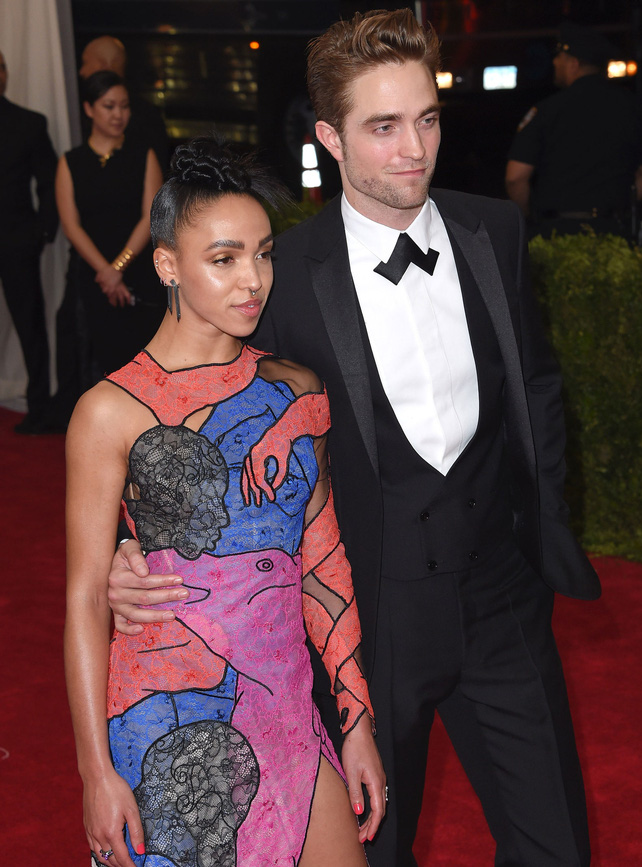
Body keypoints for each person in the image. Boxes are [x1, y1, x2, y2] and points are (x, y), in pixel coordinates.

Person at [107, 9, 601, 866]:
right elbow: (201, 409)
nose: (414, 149)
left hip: (502, 597)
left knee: (557, 846)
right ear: (331, 137)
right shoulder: (283, 275)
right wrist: (137, 542)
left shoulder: (494, 231)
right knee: (378, 849)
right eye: (383, 127)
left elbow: (538, 385)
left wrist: (542, 518)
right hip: (369, 622)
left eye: (428, 119)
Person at [64, 136, 385, 867]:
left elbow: (322, 562)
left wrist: (356, 722)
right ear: (167, 265)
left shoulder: (295, 391)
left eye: (263, 254)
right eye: (225, 259)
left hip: (290, 715)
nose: (253, 280)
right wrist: (95, 773)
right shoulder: (109, 411)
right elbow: (84, 599)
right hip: (171, 728)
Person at [55, 70, 164, 394]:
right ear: (89, 108)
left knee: (142, 357)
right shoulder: (71, 162)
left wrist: (118, 267)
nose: (118, 114)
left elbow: (150, 215)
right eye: (109, 106)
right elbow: (71, 226)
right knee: (95, 360)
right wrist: (105, 272)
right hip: (93, 276)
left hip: (138, 270)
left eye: (124, 106)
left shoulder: (143, 155)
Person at [506, 22, 642, 238]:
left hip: (556, 236)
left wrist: (527, 220)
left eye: (559, 57)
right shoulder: (637, 108)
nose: (554, 62)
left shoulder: (547, 110)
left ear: (573, 64)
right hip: (615, 235)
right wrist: (619, 208)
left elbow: (515, 177)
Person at [0, 50, 58, 434]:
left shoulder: (29, 123)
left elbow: (50, 183)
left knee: (30, 325)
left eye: (2, 67)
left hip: (16, 240)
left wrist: (41, 233)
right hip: (19, 239)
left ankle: (39, 407)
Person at [79, 35, 170, 172]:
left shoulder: (145, 119)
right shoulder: (74, 160)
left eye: (85, 63)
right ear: (89, 109)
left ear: (104, 65)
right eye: (109, 106)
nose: (81, 71)